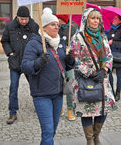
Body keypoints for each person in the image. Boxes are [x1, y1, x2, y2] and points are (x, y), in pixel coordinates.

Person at [21, 8, 75, 145]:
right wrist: (38, 62)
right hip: (42, 94)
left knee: (52, 130)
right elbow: (25, 66)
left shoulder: (60, 43)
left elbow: (66, 67)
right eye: (53, 24)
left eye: (57, 24)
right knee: (48, 131)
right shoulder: (34, 43)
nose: (57, 26)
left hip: (57, 93)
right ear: (44, 27)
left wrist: (70, 60)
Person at [70, 8, 117, 145]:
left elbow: (109, 56)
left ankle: (96, 137)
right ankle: (89, 140)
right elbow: (76, 61)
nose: (96, 21)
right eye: (93, 18)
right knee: (86, 111)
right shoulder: (77, 37)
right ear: (86, 20)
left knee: (103, 110)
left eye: (98, 18)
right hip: (84, 80)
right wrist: (92, 73)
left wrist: (104, 70)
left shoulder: (102, 37)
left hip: (102, 79)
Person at [0, 6, 39, 124]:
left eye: (26, 19)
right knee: (13, 88)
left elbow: (38, 41)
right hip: (15, 62)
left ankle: (39, 107)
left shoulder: (34, 26)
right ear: (17, 17)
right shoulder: (10, 26)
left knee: (35, 86)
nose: (24, 21)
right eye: (22, 19)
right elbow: (4, 41)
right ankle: (12, 113)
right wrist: (10, 53)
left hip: (29, 62)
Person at [56, 14, 79, 121]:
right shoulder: (56, 28)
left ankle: (70, 109)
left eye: (59, 19)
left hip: (69, 63)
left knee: (69, 87)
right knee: (58, 86)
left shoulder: (73, 29)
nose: (57, 21)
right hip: (58, 62)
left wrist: (71, 50)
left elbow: (78, 44)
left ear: (63, 20)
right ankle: (59, 108)